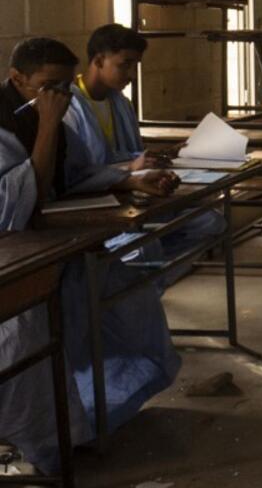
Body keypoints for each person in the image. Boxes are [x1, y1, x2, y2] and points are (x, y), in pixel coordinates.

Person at [0, 37, 180, 475]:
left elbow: (75, 175)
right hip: (12, 257)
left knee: (125, 290)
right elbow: (18, 203)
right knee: (28, 333)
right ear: (18, 79)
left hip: (49, 245)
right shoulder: (12, 125)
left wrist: (130, 184)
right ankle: (42, 444)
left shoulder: (55, 119)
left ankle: (90, 417)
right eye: (48, 86)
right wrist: (45, 126)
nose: (59, 97)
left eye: (64, 87)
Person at [64, 24, 226, 275]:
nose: (131, 74)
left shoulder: (121, 103)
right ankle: (141, 284)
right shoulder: (70, 109)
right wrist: (129, 168)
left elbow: (129, 152)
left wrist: (159, 156)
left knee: (210, 222)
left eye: (135, 66)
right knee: (143, 250)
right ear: (98, 60)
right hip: (98, 205)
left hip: (136, 196)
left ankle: (150, 281)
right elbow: (77, 173)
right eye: (125, 64)